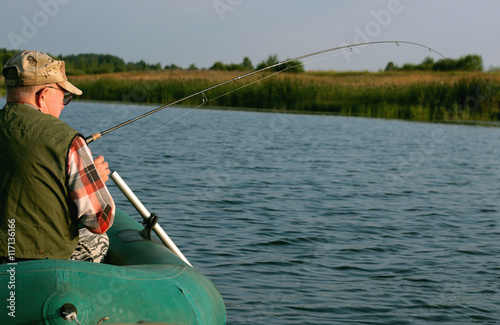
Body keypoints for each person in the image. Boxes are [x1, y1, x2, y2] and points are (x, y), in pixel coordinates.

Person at [0, 50, 115, 263]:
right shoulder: (69, 140)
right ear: (43, 96)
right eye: (64, 96)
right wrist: (92, 180)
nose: (63, 105)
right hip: (39, 267)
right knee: (99, 240)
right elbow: (100, 221)